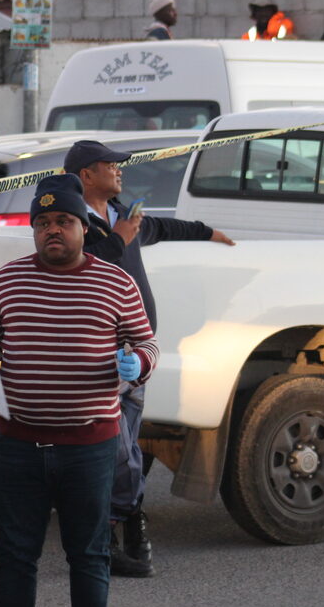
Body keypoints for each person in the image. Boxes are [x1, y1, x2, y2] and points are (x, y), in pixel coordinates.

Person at [0, 174, 159, 607]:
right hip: (19, 442)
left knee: (88, 554)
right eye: (42, 223)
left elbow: (147, 346)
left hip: (89, 445)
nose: (52, 231)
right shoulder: (8, 280)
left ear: (83, 226)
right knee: (15, 553)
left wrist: (136, 362)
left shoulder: (116, 282)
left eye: (63, 222)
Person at [66, 140, 233, 578]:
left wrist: (209, 233)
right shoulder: (71, 221)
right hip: (96, 352)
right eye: (110, 165)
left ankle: (118, 533)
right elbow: (76, 268)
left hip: (135, 353)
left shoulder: (122, 215)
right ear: (86, 174)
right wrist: (118, 240)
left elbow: (162, 229)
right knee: (117, 452)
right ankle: (121, 528)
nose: (120, 171)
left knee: (126, 448)